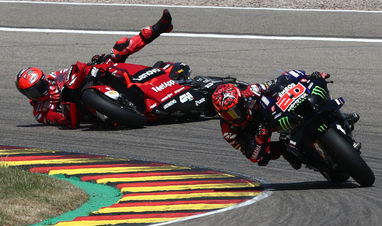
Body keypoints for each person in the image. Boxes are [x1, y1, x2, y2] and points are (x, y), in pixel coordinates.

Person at [15, 9, 173, 128]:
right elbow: (63, 121)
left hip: (91, 88)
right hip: (87, 112)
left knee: (119, 48)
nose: (41, 91)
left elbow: (74, 74)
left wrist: (92, 65)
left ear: (43, 78)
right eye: (34, 91)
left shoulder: (55, 77)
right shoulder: (40, 112)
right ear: (27, 95)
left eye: (40, 85)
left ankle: (159, 28)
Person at [211, 70, 360, 169]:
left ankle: (340, 117)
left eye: (233, 112)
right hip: (259, 135)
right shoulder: (229, 131)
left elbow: (277, 82)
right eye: (226, 115)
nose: (232, 117)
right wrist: (262, 135)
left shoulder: (251, 92)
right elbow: (253, 156)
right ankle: (299, 154)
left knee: (309, 97)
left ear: (242, 101)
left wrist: (307, 77)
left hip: (274, 114)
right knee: (264, 158)